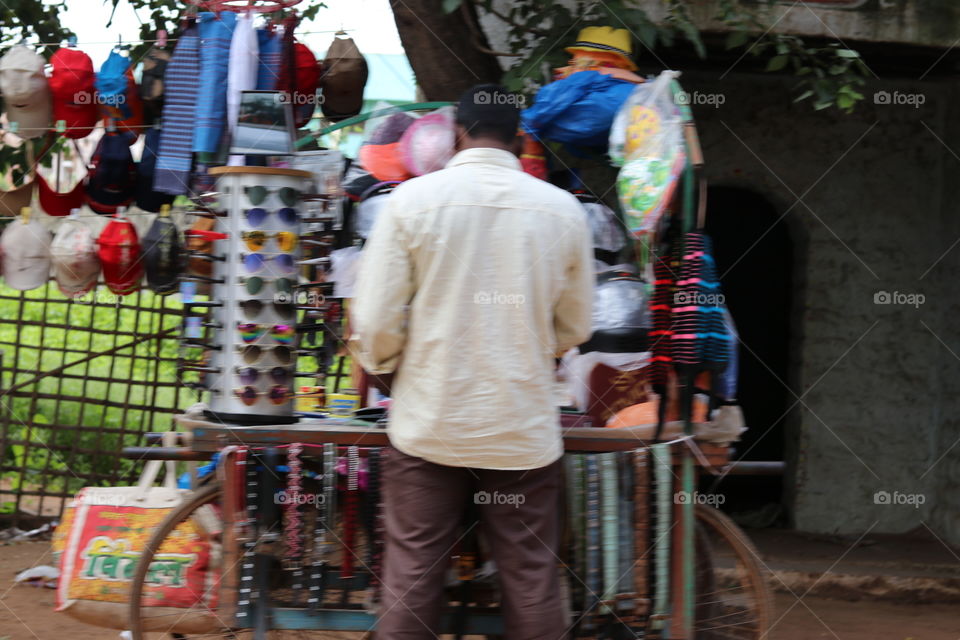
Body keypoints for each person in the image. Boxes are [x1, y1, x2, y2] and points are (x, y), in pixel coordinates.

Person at [351, 84, 594, 640]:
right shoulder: (561, 211)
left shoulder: (411, 202)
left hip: (429, 425)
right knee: (531, 578)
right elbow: (576, 326)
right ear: (520, 137)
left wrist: (395, 368)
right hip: (520, 431)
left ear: (457, 131)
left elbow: (377, 321)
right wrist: (530, 349)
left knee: (413, 574)